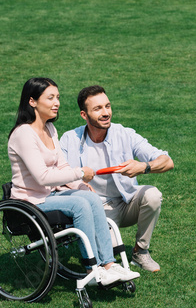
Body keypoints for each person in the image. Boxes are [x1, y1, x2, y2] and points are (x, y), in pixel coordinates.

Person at [7, 78, 139, 285]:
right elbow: (42, 177)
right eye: (50, 98)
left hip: (50, 195)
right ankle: (92, 268)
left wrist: (81, 185)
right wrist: (79, 174)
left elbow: (61, 168)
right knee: (80, 205)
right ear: (32, 102)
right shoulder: (23, 134)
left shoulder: (50, 130)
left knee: (90, 198)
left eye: (57, 97)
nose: (56, 103)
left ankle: (108, 264)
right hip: (30, 200)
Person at [60, 85, 174, 272]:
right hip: (95, 210)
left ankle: (140, 252)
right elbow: (57, 175)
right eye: (98, 109)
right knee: (110, 251)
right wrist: (80, 186)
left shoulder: (125, 134)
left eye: (108, 106)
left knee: (152, 195)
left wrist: (143, 167)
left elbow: (167, 161)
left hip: (126, 202)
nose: (106, 113)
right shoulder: (69, 139)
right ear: (84, 115)